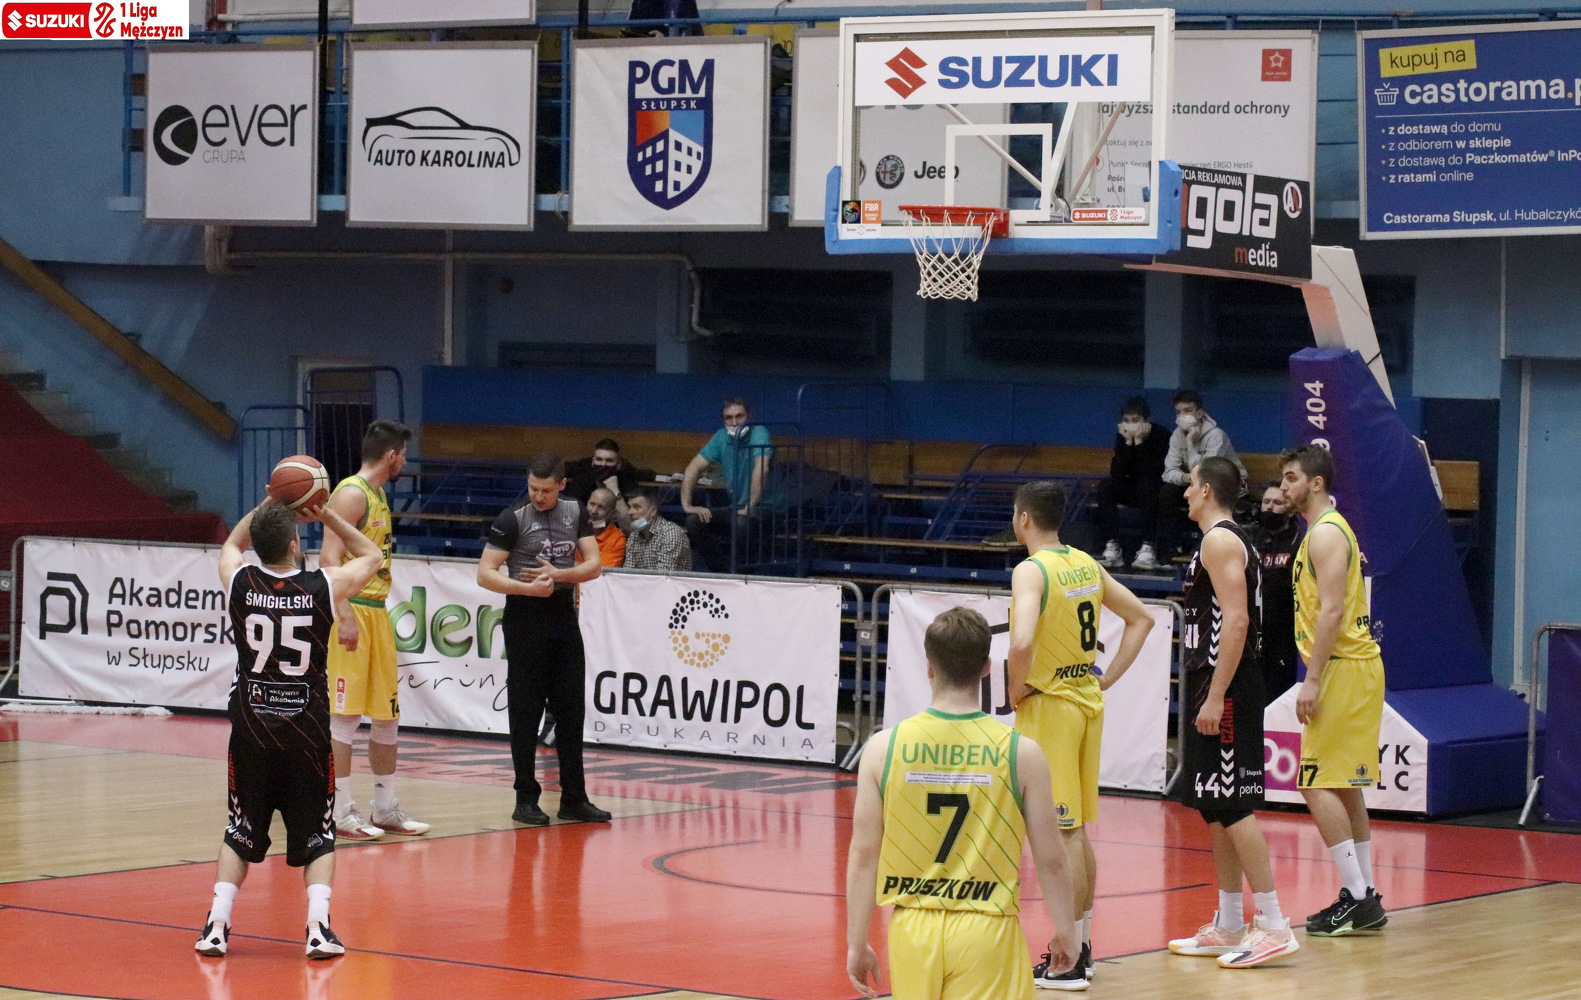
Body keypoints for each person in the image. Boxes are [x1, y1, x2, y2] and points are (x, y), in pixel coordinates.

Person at [845, 607, 1078, 1000]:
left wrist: (856, 942)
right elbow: (1052, 858)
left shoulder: (884, 748)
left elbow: (864, 853)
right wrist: (1067, 930)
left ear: (929, 667)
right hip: (986, 926)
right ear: (987, 667)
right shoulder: (1021, 752)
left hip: (912, 928)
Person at [195, 500, 383, 961]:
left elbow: (232, 543)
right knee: (318, 835)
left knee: (239, 828)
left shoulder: (241, 580)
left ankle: (217, 926)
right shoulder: (323, 585)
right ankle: (317, 929)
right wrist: (327, 514)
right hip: (306, 733)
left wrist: (269, 502)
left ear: (259, 546)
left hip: (252, 731)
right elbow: (372, 556)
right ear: (296, 544)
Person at [1006, 481, 1155, 991]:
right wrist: (1106, 678)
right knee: (1076, 831)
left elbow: (1021, 641)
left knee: (1062, 832)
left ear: (1024, 518)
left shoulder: (1032, 570)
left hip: (1051, 707)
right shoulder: (1085, 564)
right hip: (1087, 703)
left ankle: (1067, 957)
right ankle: (1082, 946)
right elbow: (1141, 619)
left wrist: (1015, 688)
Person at [1167, 458, 1298, 969]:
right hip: (1215, 683)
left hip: (1227, 685)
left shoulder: (1221, 540)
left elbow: (1238, 621)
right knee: (1217, 805)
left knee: (1235, 804)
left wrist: (1217, 694)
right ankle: (1228, 922)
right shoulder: (1223, 539)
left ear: (1206, 490)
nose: (1184, 494)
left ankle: (1274, 924)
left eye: (1190, 486)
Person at [1280, 443, 1388, 936]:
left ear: (1316, 483)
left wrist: (1313, 677)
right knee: (1344, 784)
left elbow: (1332, 610)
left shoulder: (1325, 534)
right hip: (1354, 667)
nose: (1284, 486)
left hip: (1343, 668)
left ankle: (1359, 897)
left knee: (1314, 781)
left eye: (1291, 477)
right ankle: (1365, 894)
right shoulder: (1327, 530)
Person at [477, 452, 612, 826]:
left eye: (546, 490)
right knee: (525, 711)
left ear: (562, 485)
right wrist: (527, 588)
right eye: (533, 488)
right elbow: (485, 573)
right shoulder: (512, 517)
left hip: (563, 615)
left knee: (571, 709)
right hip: (525, 617)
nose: (538, 496)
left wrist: (561, 575)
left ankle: (574, 798)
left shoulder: (575, 510)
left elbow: (594, 565)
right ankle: (525, 798)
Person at [319, 419, 429, 840]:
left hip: (378, 611)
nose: (404, 461)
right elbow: (328, 559)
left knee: (387, 717)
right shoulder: (351, 494)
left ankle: (384, 808)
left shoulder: (378, 493)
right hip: (353, 610)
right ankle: (339, 811)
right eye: (403, 454)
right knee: (344, 717)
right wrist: (343, 612)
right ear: (391, 455)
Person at [681, 396, 772, 571]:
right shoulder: (721, 436)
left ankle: (744, 575)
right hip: (737, 508)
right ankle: (720, 571)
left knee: (741, 523)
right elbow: (693, 467)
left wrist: (751, 506)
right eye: (729, 418)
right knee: (694, 521)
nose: (734, 422)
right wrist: (687, 505)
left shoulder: (759, 432)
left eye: (739, 416)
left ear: (749, 416)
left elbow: (762, 468)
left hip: (768, 509)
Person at [1161, 391, 1247, 562]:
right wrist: (1187, 478)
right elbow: (1168, 472)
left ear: (1199, 413)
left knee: (1208, 490)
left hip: (1228, 485)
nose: (1182, 416)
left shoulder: (1216, 435)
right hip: (1196, 483)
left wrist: (1190, 444)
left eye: (1187, 411)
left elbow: (1207, 472)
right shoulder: (1177, 436)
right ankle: (1171, 548)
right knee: (1167, 492)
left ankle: (1206, 545)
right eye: (1178, 412)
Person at [1095, 395, 1168, 572]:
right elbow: (1117, 473)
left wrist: (1140, 442)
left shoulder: (1162, 435)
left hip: (1155, 489)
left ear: (1147, 420)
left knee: (1146, 484)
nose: (1130, 425)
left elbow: (1152, 472)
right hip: (1132, 488)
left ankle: (1148, 546)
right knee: (1106, 486)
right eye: (1126, 420)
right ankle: (1112, 546)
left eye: (1135, 420)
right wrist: (1128, 443)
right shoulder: (1123, 436)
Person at [1253, 482, 1303, 704]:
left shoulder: (1299, 540)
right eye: (1266, 502)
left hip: (1286, 636)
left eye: (1277, 502)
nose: (1270, 507)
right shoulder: (1251, 539)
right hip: (1255, 634)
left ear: (1290, 509)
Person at [623, 490, 692, 572]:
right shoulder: (634, 535)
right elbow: (627, 572)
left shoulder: (670, 533)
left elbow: (663, 575)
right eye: (629, 507)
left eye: (637, 507)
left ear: (653, 511)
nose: (630, 512)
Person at [564, 439, 643, 507]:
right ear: (593, 461)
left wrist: (615, 492)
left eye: (609, 460)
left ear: (618, 464)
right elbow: (571, 511)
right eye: (599, 459)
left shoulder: (627, 480)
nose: (603, 464)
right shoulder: (582, 479)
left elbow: (627, 518)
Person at [587, 488, 628, 569]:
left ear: (612, 514)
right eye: (592, 504)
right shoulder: (572, 528)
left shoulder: (616, 538)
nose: (594, 511)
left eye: (601, 507)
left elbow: (602, 572)